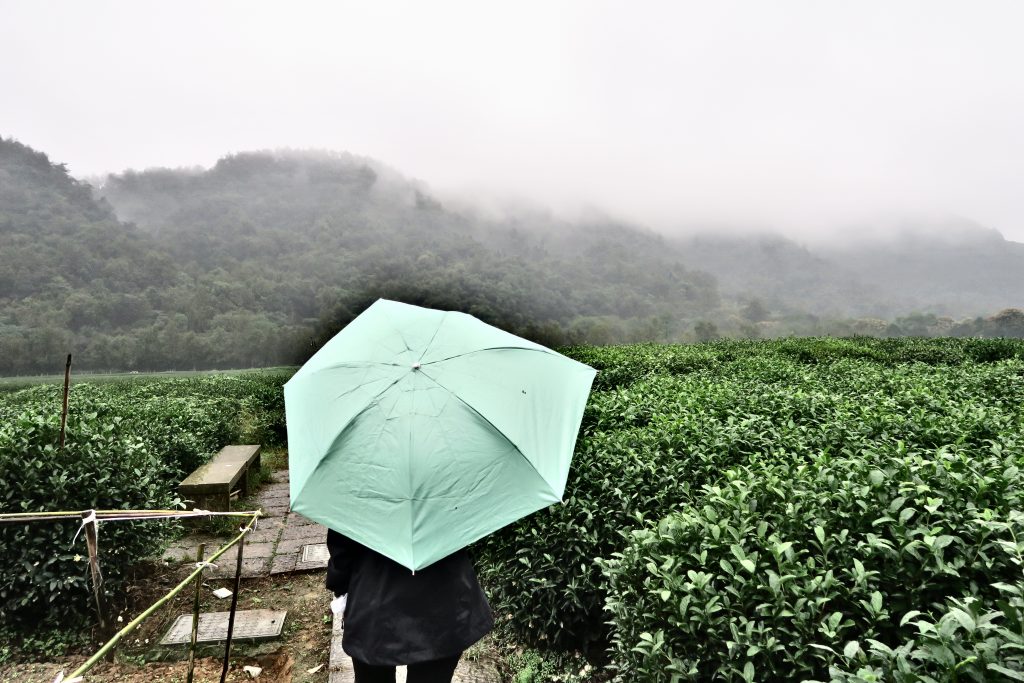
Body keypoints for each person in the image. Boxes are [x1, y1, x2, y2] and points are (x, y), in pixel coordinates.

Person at [326, 528, 494, 683]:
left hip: (373, 600)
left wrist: (342, 588)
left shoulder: (357, 495)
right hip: (445, 600)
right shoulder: (449, 494)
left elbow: (342, 545)